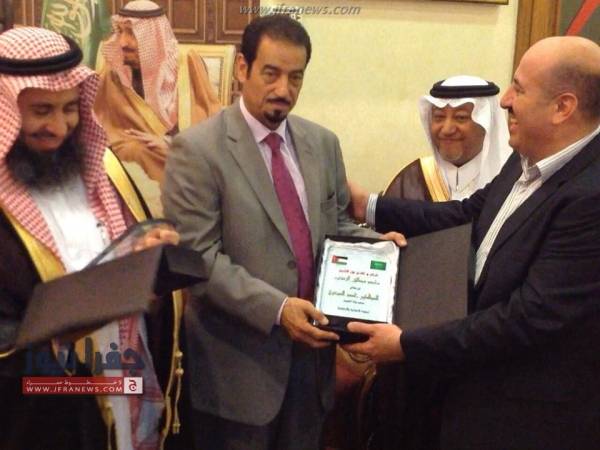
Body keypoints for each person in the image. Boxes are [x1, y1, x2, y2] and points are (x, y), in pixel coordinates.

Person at [346, 36, 600, 450]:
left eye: (519, 89)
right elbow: (465, 216)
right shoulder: (525, 160)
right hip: (470, 400)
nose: (506, 101)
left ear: (563, 108)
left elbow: (527, 318)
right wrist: (367, 206)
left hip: (528, 421)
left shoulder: (591, 196)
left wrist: (407, 345)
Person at [162, 14, 403, 450]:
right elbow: (198, 261)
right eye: (270, 73)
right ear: (243, 68)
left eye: (295, 77)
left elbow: (336, 225)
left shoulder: (322, 144)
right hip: (236, 376)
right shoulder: (197, 151)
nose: (283, 89)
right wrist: (278, 309)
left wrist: (378, 247)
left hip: (312, 369)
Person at [0, 27, 183, 450]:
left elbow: (120, 251)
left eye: (70, 108)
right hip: (44, 417)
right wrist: (60, 333)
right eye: (41, 110)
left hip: (124, 383)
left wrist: (147, 253)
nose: (59, 127)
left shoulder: (101, 166)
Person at [94, 0, 221, 216]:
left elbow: (210, 120)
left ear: (152, 37)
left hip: (182, 157)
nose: (123, 43)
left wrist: (171, 144)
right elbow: (99, 123)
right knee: (134, 150)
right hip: (132, 163)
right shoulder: (114, 71)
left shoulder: (185, 64)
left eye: (132, 33)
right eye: (120, 31)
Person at [385, 75, 512, 201]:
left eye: (460, 117)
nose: (447, 129)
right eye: (439, 117)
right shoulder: (411, 180)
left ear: (487, 124)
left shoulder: (510, 182)